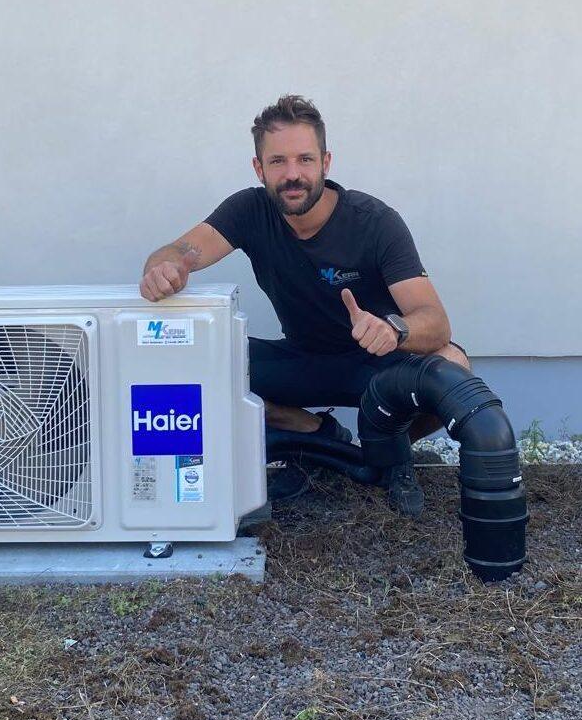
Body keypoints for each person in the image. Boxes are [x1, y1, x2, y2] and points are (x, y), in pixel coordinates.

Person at [140, 94, 470, 516]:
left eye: (305, 160)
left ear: (326, 163)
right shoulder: (248, 210)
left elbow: (435, 322)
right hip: (302, 361)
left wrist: (393, 329)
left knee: (453, 364)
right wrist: (162, 269)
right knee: (198, 362)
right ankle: (316, 434)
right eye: (278, 161)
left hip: (377, 363)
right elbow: (178, 250)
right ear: (259, 168)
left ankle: (392, 451)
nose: (292, 174)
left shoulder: (374, 222)